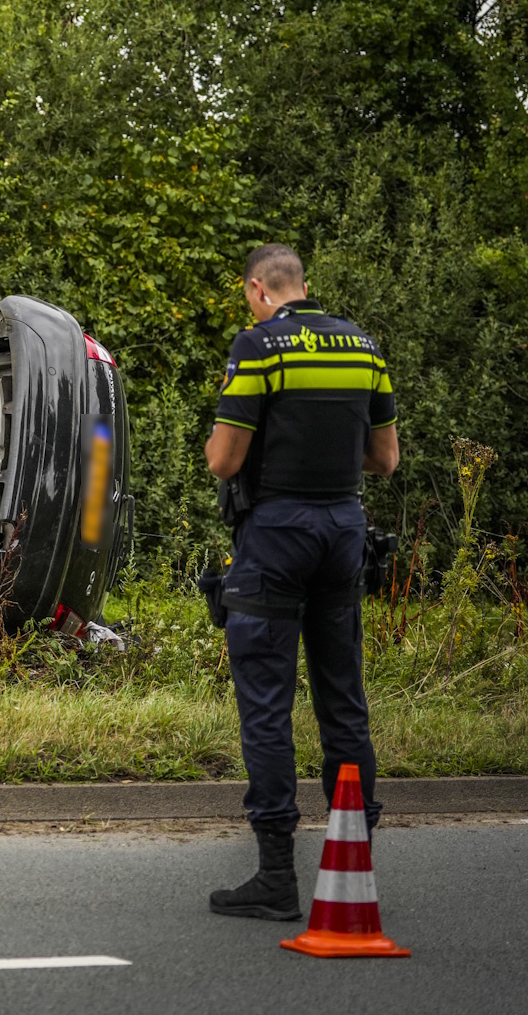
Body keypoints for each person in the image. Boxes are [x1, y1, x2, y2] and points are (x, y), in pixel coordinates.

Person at [203, 243, 399, 921]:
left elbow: (225, 461)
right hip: (344, 528)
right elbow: (387, 458)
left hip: (276, 533)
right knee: (344, 701)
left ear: (258, 289)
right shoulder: (363, 346)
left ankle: (276, 879)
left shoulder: (258, 347)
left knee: (266, 701)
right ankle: (354, 866)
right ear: (303, 285)